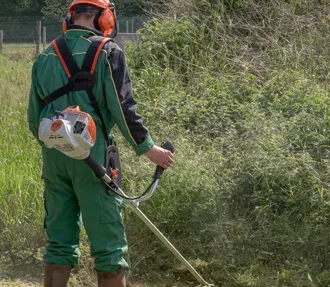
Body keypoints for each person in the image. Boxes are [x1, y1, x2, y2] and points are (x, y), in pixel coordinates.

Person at [27, 0, 174, 286]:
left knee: (59, 241)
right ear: (106, 19)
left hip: (54, 157)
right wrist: (150, 149)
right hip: (93, 156)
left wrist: (60, 142)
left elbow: (35, 119)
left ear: (69, 18)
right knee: (108, 246)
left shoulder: (45, 56)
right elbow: (123, 108)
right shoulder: (108, 52)